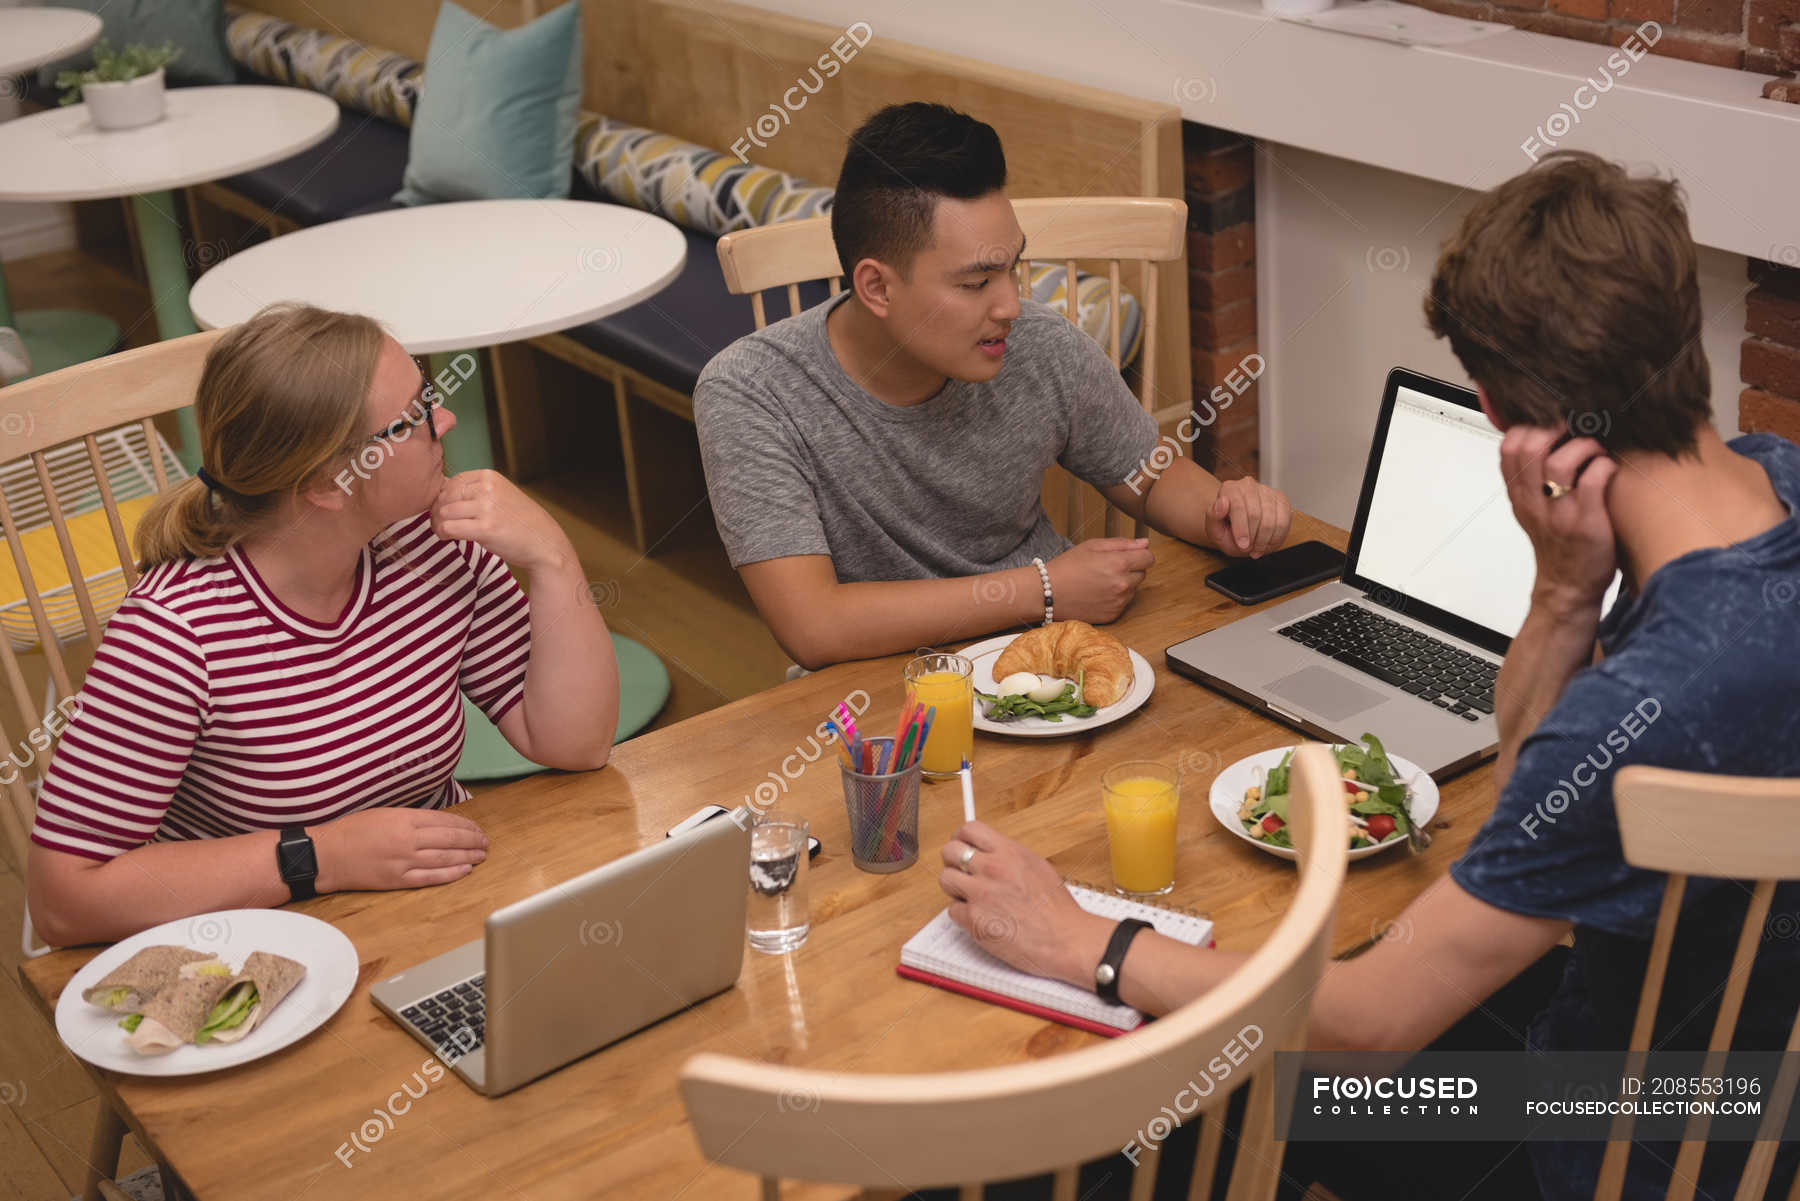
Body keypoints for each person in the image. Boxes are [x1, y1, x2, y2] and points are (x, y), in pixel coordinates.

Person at [932, 152, 1800, 1201]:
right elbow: (1537, 791)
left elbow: (1370, 1025)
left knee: (1152, 1106)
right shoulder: (1775, 481)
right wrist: (1565, 594)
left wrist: (1087, 940)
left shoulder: (1645, 711)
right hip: (1754, 1089)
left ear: (1498, 417)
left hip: (1601, 1129)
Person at [27, 303, 620, 948]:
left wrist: (554, 559)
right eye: (415, 417)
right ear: (330, 484)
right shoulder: (172, 638)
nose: (444, 419)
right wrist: (321, 856)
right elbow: (64, 900)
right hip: (259, 945)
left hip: (436, 903)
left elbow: (575, 744)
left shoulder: (432, 543)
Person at [694, 102, 1293, 669]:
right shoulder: (752, 393)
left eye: (1013, 267)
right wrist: (1042, 589)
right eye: (977, 282)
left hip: (1057, 663)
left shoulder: (1038, 343)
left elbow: (1150, 474)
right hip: (881, 692)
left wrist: (1219, 512)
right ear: (876, 287)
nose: (1010, 304)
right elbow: (814, 626)